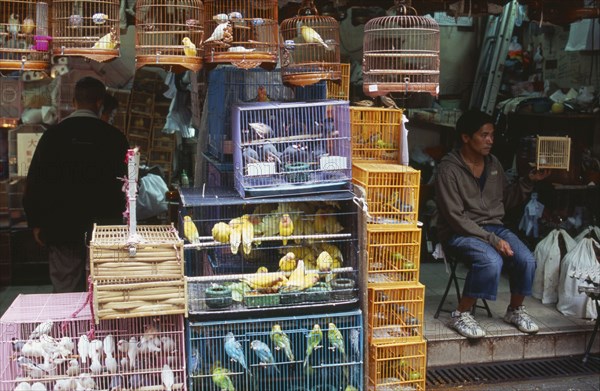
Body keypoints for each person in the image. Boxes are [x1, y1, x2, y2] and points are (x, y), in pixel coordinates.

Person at [435, 109, 550, 339]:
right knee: (490, 259)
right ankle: (460, 314)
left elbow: (505, 200)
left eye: (492, 135)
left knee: (526, 258)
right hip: (459, 232)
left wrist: (528, 181)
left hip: (494, 228)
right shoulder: (448, 169)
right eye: (484, 135)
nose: (490, 140)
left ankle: (515, 310)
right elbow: (455, 217)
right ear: (466, 137)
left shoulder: (494, 164)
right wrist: (491, 239)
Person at [23, 77, 130, 293]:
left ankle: (67, 326)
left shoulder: (52, 137)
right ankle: (99, 328)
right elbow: (128, 185)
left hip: (61, 228)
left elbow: (35, 182)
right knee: (103, 289)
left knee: (65, 288)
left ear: (74, 102)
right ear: (100, 102)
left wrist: (35, 221)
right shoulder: (115, 139)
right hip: (105, 229)